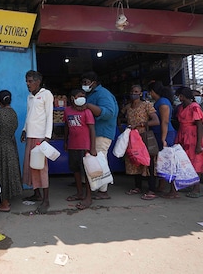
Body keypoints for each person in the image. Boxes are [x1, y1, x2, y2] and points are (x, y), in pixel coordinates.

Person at [80, 71, 118, 200]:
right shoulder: (91, 93)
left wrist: (89, 106)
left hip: (102, 132)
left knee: (101, 159)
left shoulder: (103, 94)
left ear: (93, 83)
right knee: (93, 160)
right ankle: (92, 185)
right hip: (94, 132)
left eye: (85, 83)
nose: (83, 85)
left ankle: (103, 191)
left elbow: (109, 113)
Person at [21, 70, 53, 214]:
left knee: (41, 167)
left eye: (30, 81)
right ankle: (37, 193)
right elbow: (29, 115)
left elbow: (49, 116)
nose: (28, 84)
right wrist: (24, 129)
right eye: (26, 81)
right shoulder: (30, 97)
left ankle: (46, 199)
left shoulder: (46, 95)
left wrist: (47, 137)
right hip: (30, 136)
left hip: (40, 137)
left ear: (38, 81)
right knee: (31, 165)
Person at [120, 85, 160, 200]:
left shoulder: (146, 105)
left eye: (136, 91)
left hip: (144, 137)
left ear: (141, 93)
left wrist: (139, 125)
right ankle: (138, 187)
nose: (134, 93)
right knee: (135, 161)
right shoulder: (128, 107)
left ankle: (152, 189)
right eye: (132, 91)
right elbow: (121, 116)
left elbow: (155, 121)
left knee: (148, 162)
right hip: (132, 138)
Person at [0, 90, 22, 212]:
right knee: (8, 173)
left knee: (1, 173)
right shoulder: (13, 113)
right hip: (11, 145)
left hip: (0, 147)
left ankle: (4, 203)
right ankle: (6, 200)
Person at [63, 89, 96, 210]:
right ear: (72, 98)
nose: (82, 98)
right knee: (75, 170)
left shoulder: (87, 111)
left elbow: (92, 129)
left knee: (86, 172)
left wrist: (92, 147)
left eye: (83, 96)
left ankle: (89, 196)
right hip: (73, 145)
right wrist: (65, 141)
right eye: (79, 96)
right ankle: (79, 193)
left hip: (84, 146)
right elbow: (66, 126)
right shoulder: (67, 111)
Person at [174, 87, 203, 198]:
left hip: (193, 137)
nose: (178, 98)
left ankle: (196, 188)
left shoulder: (194, 107)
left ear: (183, 95)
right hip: (182, 135)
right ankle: (189, 184)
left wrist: (198, 144)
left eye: (179, 95)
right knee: (185, 161)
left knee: (195, 162)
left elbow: (199, 125)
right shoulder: (181, 107)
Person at [148, 81, 177, 197]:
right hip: (161, 133)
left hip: (165, 134)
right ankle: (162, 186)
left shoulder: (163, 103)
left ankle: (173, 190)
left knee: (168, 161)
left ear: (152, 92)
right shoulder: (161, 101)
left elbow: (164, 121)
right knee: (162, 161)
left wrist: (163, 138)